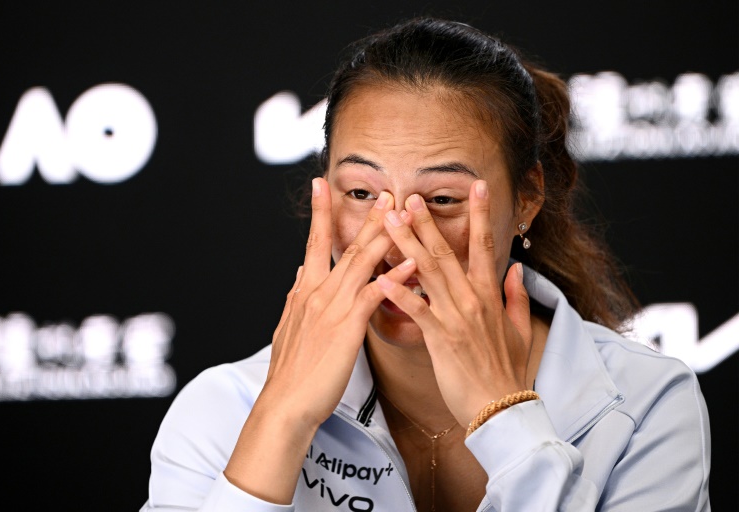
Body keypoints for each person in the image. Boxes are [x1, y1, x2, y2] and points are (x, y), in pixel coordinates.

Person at [141, 17, 711, 511]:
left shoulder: (647, 403)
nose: (397, 241)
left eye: (442, 201)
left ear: (527, 199)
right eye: (362, 194)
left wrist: (504, 418)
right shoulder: (224, 405)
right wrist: (282, 419)